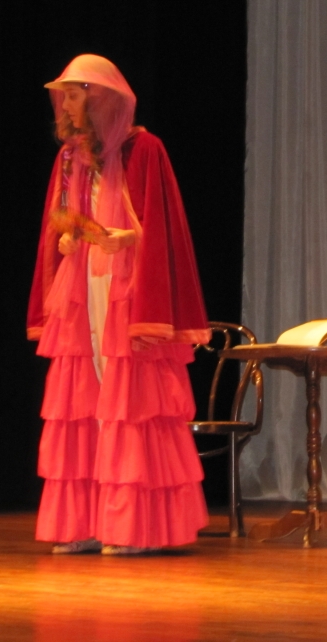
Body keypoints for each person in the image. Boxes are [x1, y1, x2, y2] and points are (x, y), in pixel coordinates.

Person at [27, 54, 210, 555]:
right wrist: (68, 239)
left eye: (74, 94)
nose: (66, 104)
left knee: (129, 401)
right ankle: (89, 522)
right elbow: (63, 219)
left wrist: (130, 237)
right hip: (82, 287)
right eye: (64, 95)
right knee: (85, 401)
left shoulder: (144, 149)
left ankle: (136, 526)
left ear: (101, 98)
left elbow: (162, 225)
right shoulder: (69, 158)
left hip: (128, 288)